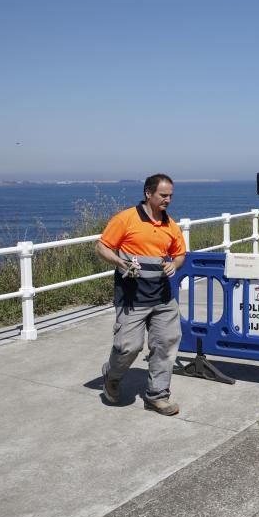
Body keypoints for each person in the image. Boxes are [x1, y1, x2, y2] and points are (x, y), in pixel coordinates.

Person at [96, 173, 187, 415]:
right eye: (163, 195)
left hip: (163, 298)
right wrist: (119, 262)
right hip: (132, 299)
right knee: (128, 347)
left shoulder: (171, 225)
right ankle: (112, 377)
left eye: (170, 196)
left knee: (165, 345)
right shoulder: (126, 219)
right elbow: (102, 246)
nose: (168, 200)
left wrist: (174, 265)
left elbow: (179, 254)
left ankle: (157, 396)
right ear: (148, 193)